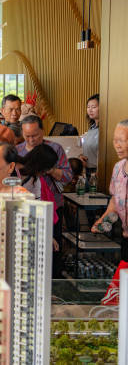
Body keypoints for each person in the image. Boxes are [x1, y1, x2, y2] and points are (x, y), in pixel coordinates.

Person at [92, 121, 128, 304]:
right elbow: (115, 201)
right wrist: (104, 220)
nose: (117, 145)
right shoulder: (118, 168)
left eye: (122, 140)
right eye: (115, 140)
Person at [16, 115, 73, 214]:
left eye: (35, 135)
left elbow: (68, 176)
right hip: (24, 206)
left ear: (42, 131)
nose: (31, 140)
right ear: (22, 133)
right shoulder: (17, 151)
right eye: (27, 136)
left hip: (53, 204)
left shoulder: (55, 149)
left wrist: (51, 170)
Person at [80, 94, 99, 177]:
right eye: (88, 107)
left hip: (97, 171)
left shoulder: (105, 130)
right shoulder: (92, 128)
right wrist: (81, 155)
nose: (90, 110)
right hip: (88, 170)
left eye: (93, 107)